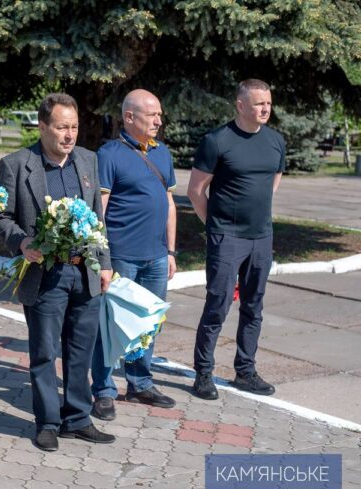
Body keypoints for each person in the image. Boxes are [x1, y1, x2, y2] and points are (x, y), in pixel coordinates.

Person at [0, 93, 115, 452]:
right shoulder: (17, 164)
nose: (69, 134)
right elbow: (0, 217)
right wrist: (22, 242)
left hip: (85, 271)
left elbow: (98, 217)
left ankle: (77, 418)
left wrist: (105, 263)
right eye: (62, 127)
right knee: (45, 352)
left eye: (74, 127)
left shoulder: (88, 160)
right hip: (46, 275)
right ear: (42, 126)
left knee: (80, 350)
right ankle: (47, 422)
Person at [187, 79, 285, 400]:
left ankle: (245, 371)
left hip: (261, 237)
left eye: (268, 103)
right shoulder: (217, 141)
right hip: (227, 238)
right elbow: (196, 191)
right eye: (259, 104)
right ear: (241, 105)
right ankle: (203, 373)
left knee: (254, 306)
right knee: (218, 305)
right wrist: (216, 227)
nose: (265, 109)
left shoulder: (275, 141)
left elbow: (273, 180)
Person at [90, 90, 178, 421]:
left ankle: (140, 383)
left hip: (157, 256)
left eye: (159, 114)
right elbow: (100, 209)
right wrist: (103, 258)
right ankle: (103, 390)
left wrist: (171, 251)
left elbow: (169, 203)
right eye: (152, 115)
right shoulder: (109, 154)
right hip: (121, 257)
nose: (158, 120)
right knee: (110, 327)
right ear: (129, 117)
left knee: (146, 323)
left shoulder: (162, 153)